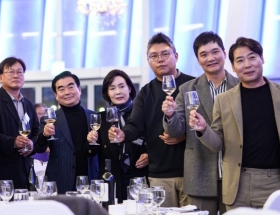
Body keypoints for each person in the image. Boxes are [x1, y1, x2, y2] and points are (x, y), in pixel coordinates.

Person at [193, 37, 280, 210]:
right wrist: (203, 129)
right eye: (240, 60)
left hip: (274, 181)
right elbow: (217, 144)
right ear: (233, 66)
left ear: (262, 59)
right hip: (236, 183)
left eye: (252, 57)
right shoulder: (223, 100)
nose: (247, 64)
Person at [109, 33, 194, 207]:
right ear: (148, 61)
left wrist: (185, 136)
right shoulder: (146, 92)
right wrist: (122, 134)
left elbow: (206, 123)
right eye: (154, 56)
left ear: (176, 56)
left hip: (192, 171)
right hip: (159, 173)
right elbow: (135, 125)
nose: (160, 60)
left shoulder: (192, 85)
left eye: (165, 54)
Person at [163, 31, 239, 215]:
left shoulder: (240, 86)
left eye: (215, 52)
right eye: (203, 54)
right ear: (198, 60)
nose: (210, 58)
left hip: (235, 175)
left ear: (223, 52)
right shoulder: (187, 88)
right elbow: (176, 130)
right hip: (200, 173)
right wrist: (170, 115)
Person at [87, 69, 149, 203]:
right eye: (112, 88)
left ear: (130, 89)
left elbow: (155, 141)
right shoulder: (101, 118)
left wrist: (150, 155)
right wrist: (91, 141)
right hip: (111, 178)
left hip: (138, 176)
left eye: (122, 86)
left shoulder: (143, 114)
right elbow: (92, 152)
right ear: (107, 93)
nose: (118, 92)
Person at [36, 71, 99, 193]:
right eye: (61, 89)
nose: (67, 92)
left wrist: (92, 143)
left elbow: (97, 150)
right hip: (60, 181)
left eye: (71, 87)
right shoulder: (49, 119)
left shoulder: (93, 117)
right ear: (56, 95)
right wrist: (44, 135)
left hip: (90, 178)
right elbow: (39, 148)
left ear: (79, 89)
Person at [0, 57, 44, 189]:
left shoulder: (28, 104)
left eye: (20, 72)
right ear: (1, 77)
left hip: (26, 169)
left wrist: (31, 143)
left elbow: (36, 131)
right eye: (10, 72)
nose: (16, 75)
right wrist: (12, 142)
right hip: (3, 170)